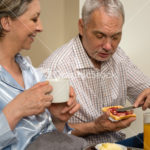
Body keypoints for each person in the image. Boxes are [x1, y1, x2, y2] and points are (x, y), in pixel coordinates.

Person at [40, 0, 150, 145]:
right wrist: (94, 127)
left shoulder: (118, 56)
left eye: (116, 37)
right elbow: (43, 133)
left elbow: (144, 91)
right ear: (81, 26)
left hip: (116, 145)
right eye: (100, 36)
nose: (108, 46)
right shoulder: (54, 69)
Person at [0, 0, 81, 149]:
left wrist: (57, 119)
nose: (40, 27)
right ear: (6, 22)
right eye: (34, 19)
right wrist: (17, 109)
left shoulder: (32, 73)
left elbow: (46, 139)